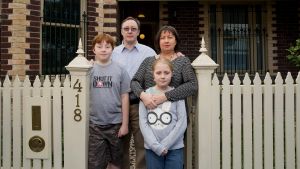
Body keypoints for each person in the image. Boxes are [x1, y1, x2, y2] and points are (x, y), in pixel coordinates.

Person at [111, 16, 156, 169]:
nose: (130, 31)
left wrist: (176, 55)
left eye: (133, 29)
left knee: (143, 144)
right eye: (126, 29)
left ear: (138, 32)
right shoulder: (112, 53)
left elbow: (160, 71)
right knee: (119, 144)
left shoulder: (149, 52)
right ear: (121, 31)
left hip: (140, 104)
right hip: (117, 105)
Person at [88, 33, 130, 169]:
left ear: (113, 49)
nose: (104, 49)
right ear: (94, 49)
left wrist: (125, 124)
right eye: (99, 46)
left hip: (115, 124)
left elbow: (125, 97)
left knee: (116, 161)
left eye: (107, 46)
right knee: (95, 163)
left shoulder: (120, 70)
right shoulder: (88, 70)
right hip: (95, 124)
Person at [131, 25, 198, 111]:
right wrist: (143, 96)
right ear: (158, 41)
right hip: (150, 111)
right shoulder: (148, 61)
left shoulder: (183, 61)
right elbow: (134, 82)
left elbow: (192, 85)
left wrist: (166, 96)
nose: (166, 41)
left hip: (175, 113)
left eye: (170, 37)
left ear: (176, 41)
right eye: (162, 38)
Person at [139, 58, 187, 169]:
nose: (162, 76)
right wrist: (156, 146)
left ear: (172, 74)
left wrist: (165, 144)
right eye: (158, 73)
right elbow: (143, 122)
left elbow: (182, 121)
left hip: (175, 147)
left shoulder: (177, 94)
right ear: (153, 75)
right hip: (152, 148)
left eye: (166, 72)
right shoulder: (146, 95)